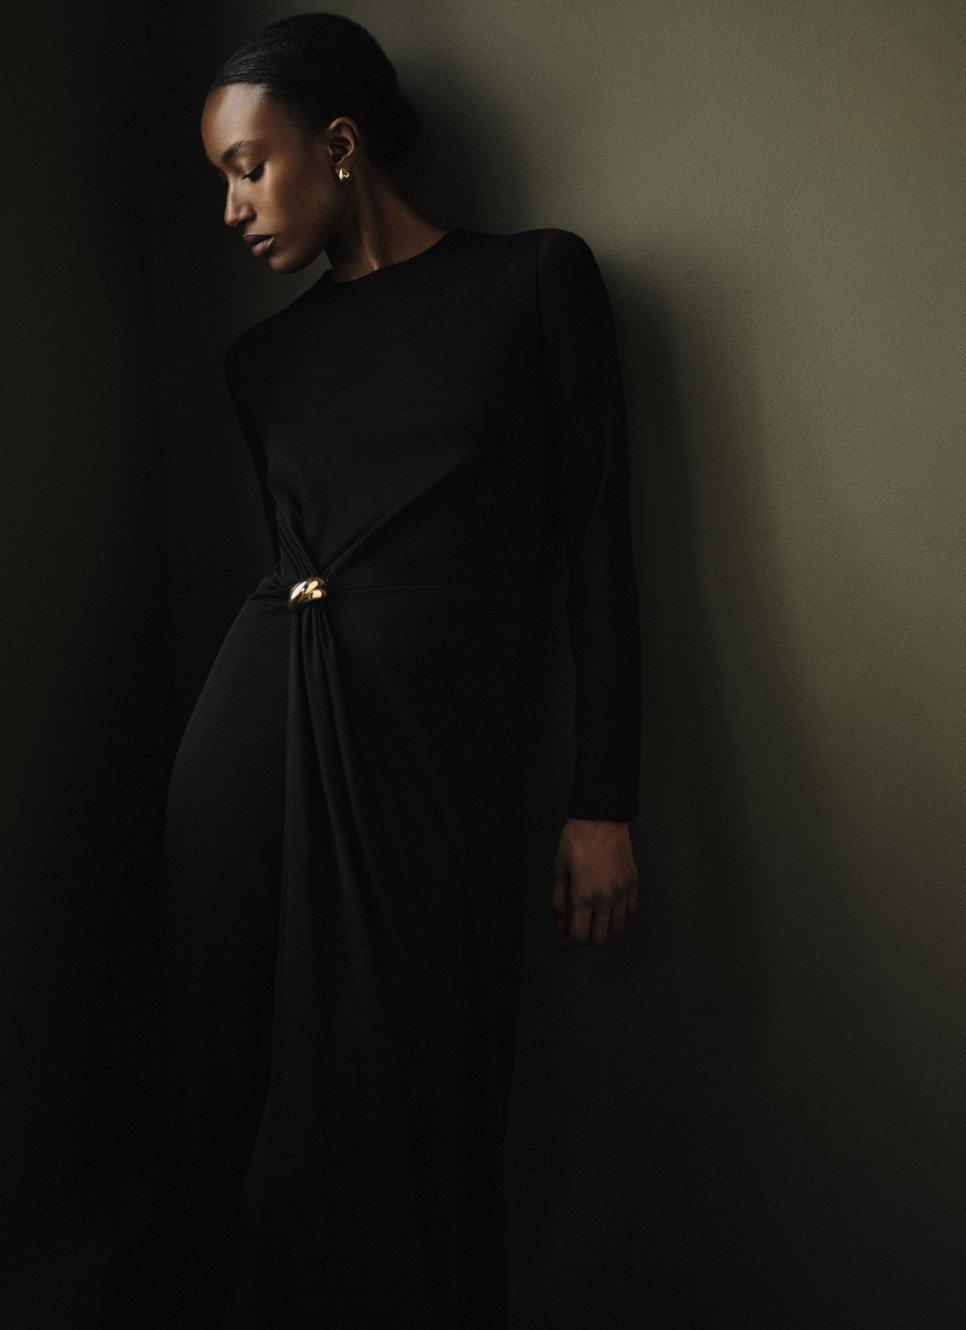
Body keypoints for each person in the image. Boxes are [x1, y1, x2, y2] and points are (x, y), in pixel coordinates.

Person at [119, 11, 643, 1329]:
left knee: (403, 1072)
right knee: (225, 1076)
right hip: (252, 741)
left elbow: (594, 548)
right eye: (221, 179)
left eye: (249, 166)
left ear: (340, 143)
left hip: (425, 755)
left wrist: (603, 798)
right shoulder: (263, 361)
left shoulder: (535, 282)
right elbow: (300, 563)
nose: (232, 208)